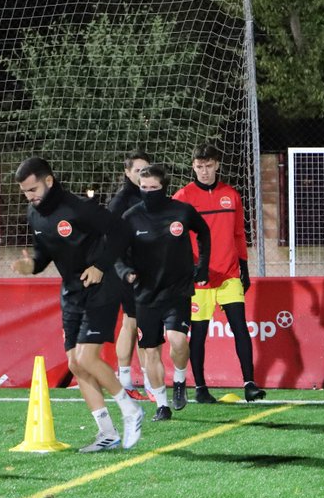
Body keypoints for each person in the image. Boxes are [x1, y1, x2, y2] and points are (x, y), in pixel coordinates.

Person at [10, 156, 144, 452]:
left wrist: (100, 266)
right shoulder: (34, 214)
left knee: (87, 357)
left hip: (101, 286)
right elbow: (43, 254)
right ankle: (107, 433)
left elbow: (121, 232)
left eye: (33, 189)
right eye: (25, 192)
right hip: (71, 291)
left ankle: (131, 409)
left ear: (48, 181)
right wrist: (30, 265)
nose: (29, 197)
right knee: (74, 363)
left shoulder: (79, 207)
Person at [116, 164, 211, 420]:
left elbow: (204, 232)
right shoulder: (131, 217)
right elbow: (116, 252)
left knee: (178, 341)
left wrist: (202, 266)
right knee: (151, 351)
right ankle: (161, 404)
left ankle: (179, 379)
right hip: (145, 294)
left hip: (177, 290)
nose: (148, 192)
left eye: (154, 188)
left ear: (164, 187)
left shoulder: (182, 211)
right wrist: (125, 272)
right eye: (144, 188)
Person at [172, 142, 265, 403]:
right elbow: (175, 237)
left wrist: (244, 267)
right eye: (199, 166)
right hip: (199, 279)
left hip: (229, 274)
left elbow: (238, 234)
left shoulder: (231, 195)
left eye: (209, 166)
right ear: (193, 167)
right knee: (199, 333)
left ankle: (249, 384)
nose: (204, 171)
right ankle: (201, 388)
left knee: (240, 327)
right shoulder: (183, 197)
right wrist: (187, 267)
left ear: (217, 165)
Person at [106, 149, 153, 400]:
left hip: (147, 269)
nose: (142, 174)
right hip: (128, 271)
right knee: (134, 321)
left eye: (145, 169)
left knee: (135, 322)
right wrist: (124, 268)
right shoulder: (122, 201)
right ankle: (133, 380)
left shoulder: (149, 194)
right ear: (127, 172)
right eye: (137, 170)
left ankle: (133, 381)